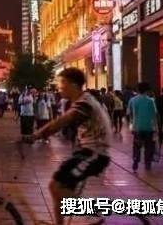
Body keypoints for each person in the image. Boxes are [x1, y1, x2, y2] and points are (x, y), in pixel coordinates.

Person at [26, 68, 112, 225]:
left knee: (60, 188)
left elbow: (62, 122)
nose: (60, 87)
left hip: (95, 154)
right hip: (85, 152)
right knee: (54, 186)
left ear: (74, 85)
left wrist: (36, 135)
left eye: (63, 83)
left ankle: (94, 215)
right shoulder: (80, 101)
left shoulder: (85, 103)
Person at [127, 82, 158, 171]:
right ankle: (147, 163)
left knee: (137, 146)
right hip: (148, 127)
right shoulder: (151, 101)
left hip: (137, 127)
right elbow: (154, 115)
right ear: (147, 90)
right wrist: (156, 128)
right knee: (148, 146)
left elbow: (129, 113)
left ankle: (136, 159)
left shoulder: (132, 100)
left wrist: (131, 124)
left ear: (138, 90)